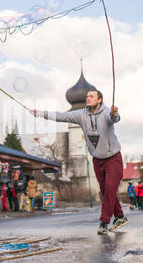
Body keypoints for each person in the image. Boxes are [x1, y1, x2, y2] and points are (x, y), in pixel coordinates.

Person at [31, 89, 127, 235]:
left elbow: (114, 119)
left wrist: (115, 114)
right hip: (97, 159)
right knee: (105, 191)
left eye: (91, 96)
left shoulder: (107, 112)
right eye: (87, 96)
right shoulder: (81, 115)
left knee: (109, 189)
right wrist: (41, 113)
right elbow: (61, 116)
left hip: (113, 158)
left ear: (99, 100)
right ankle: (120, 217)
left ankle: (104, 222)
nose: (87, 98)